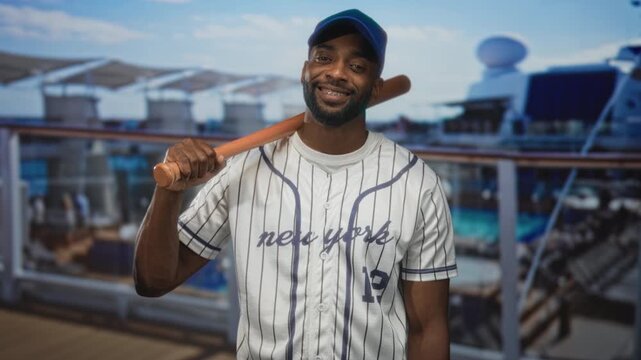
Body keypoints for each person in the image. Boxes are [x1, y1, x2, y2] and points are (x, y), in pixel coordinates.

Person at [134, 9, 457, 360]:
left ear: (376, 88)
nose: (336, 72)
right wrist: (169, 190)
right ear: (305, 71)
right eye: (324, 57)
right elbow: (153, 281)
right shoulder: (243, 169)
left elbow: (428, 328)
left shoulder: (417, 182)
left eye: (357, 66)